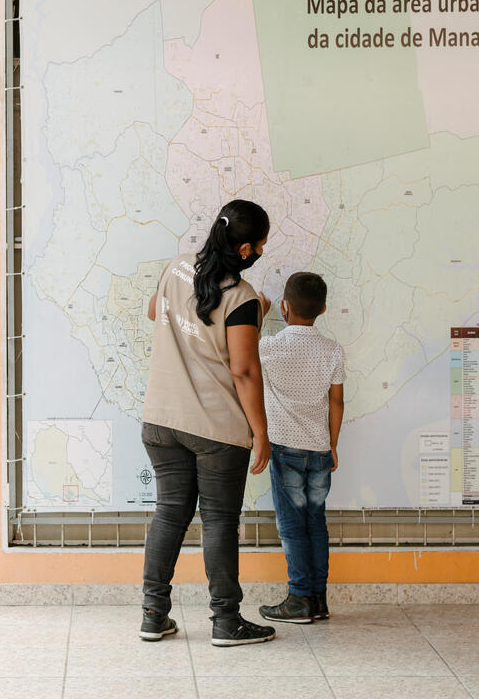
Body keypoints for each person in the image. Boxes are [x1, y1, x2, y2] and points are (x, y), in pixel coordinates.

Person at [139, 199, 277, 647]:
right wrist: (260, 431)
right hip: (214, 430)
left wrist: (254, 313)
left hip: (161, 420)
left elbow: (155, 313)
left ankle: (153, 615)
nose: (259, 252)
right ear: (244, 249)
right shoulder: (242, 298)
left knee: (169, 515)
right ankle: (226, 621)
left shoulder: (178, 268)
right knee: (218, 522)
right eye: (259, 246)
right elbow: (243, 369)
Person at [256, 272, 345, 624]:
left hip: (285, 450)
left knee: (292, 526)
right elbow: (336, 402)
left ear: (284, 307)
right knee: (316, 524)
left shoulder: (269, 347)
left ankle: (298, 599)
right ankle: (318, 599)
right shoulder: (332, 350)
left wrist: (259, 315)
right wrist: (332, 443)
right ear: (323, 308)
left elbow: (245, 349)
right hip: (320, 449)